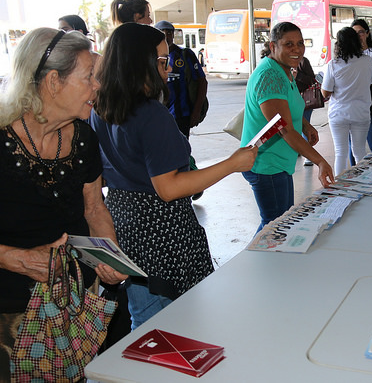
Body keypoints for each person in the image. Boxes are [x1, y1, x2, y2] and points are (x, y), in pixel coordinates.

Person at [90, 23, 257, 329]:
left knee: (144, 318)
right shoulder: (150, 114)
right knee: (175, 323)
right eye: (162, 61)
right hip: (162, 232)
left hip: (125, 224)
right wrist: (232, 163)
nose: (167, 70)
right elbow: (168, 188)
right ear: (140, 63)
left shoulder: (100, 108)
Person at [0, 28, 126, 378]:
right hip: (11, 313)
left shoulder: (84, 137)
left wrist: (110, 255)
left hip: (74, 302)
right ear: (53, 82)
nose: (97, 87)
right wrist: (15, 258)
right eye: (88, 78)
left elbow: (94, 208)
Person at [241, 22, 334, 232]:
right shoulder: (270, 76)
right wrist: (319, 161)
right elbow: (284, 128)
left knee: (280, 221)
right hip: (266, 162)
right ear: (273, 46)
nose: (297, 49)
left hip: (278, 162)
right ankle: (256, 263)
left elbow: (287, 108)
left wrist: (305, 124)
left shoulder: (284, 70)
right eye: (289, 44)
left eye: (300, 43)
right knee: (274, 226)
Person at [321, 27, 372, 175]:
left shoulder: (333, 64)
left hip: (338, 114)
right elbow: (371, 80)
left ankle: (339, 186)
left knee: (341, 153)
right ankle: (364, 182)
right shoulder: (367, 61)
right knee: (359, 151)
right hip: (361, 113)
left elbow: (325, 91)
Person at [154, 21, 208, 137]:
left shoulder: (185, 55)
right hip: (158, 116)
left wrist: (196, 111)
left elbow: (202, 82)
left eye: (169, 33)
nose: (166, 36)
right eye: (162, 33)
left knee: (181, 150)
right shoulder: (151, 57)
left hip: (181, 116)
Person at [351, 19, 372, 156]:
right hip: (353, 103)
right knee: (352, 147)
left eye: (361, 32)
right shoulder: (349, 54)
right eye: (354, 33)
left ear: (367, 33)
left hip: (371, 103)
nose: (358, 36)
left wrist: (356, 76)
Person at [294, 56, 316, 166]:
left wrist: (297, 75)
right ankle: (297, 150)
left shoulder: (303, 61)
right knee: (293, 126)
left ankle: (308, 156)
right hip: (291, 100)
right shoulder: (281, 63)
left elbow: (312, 80)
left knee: (305, 127)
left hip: (305, 101)